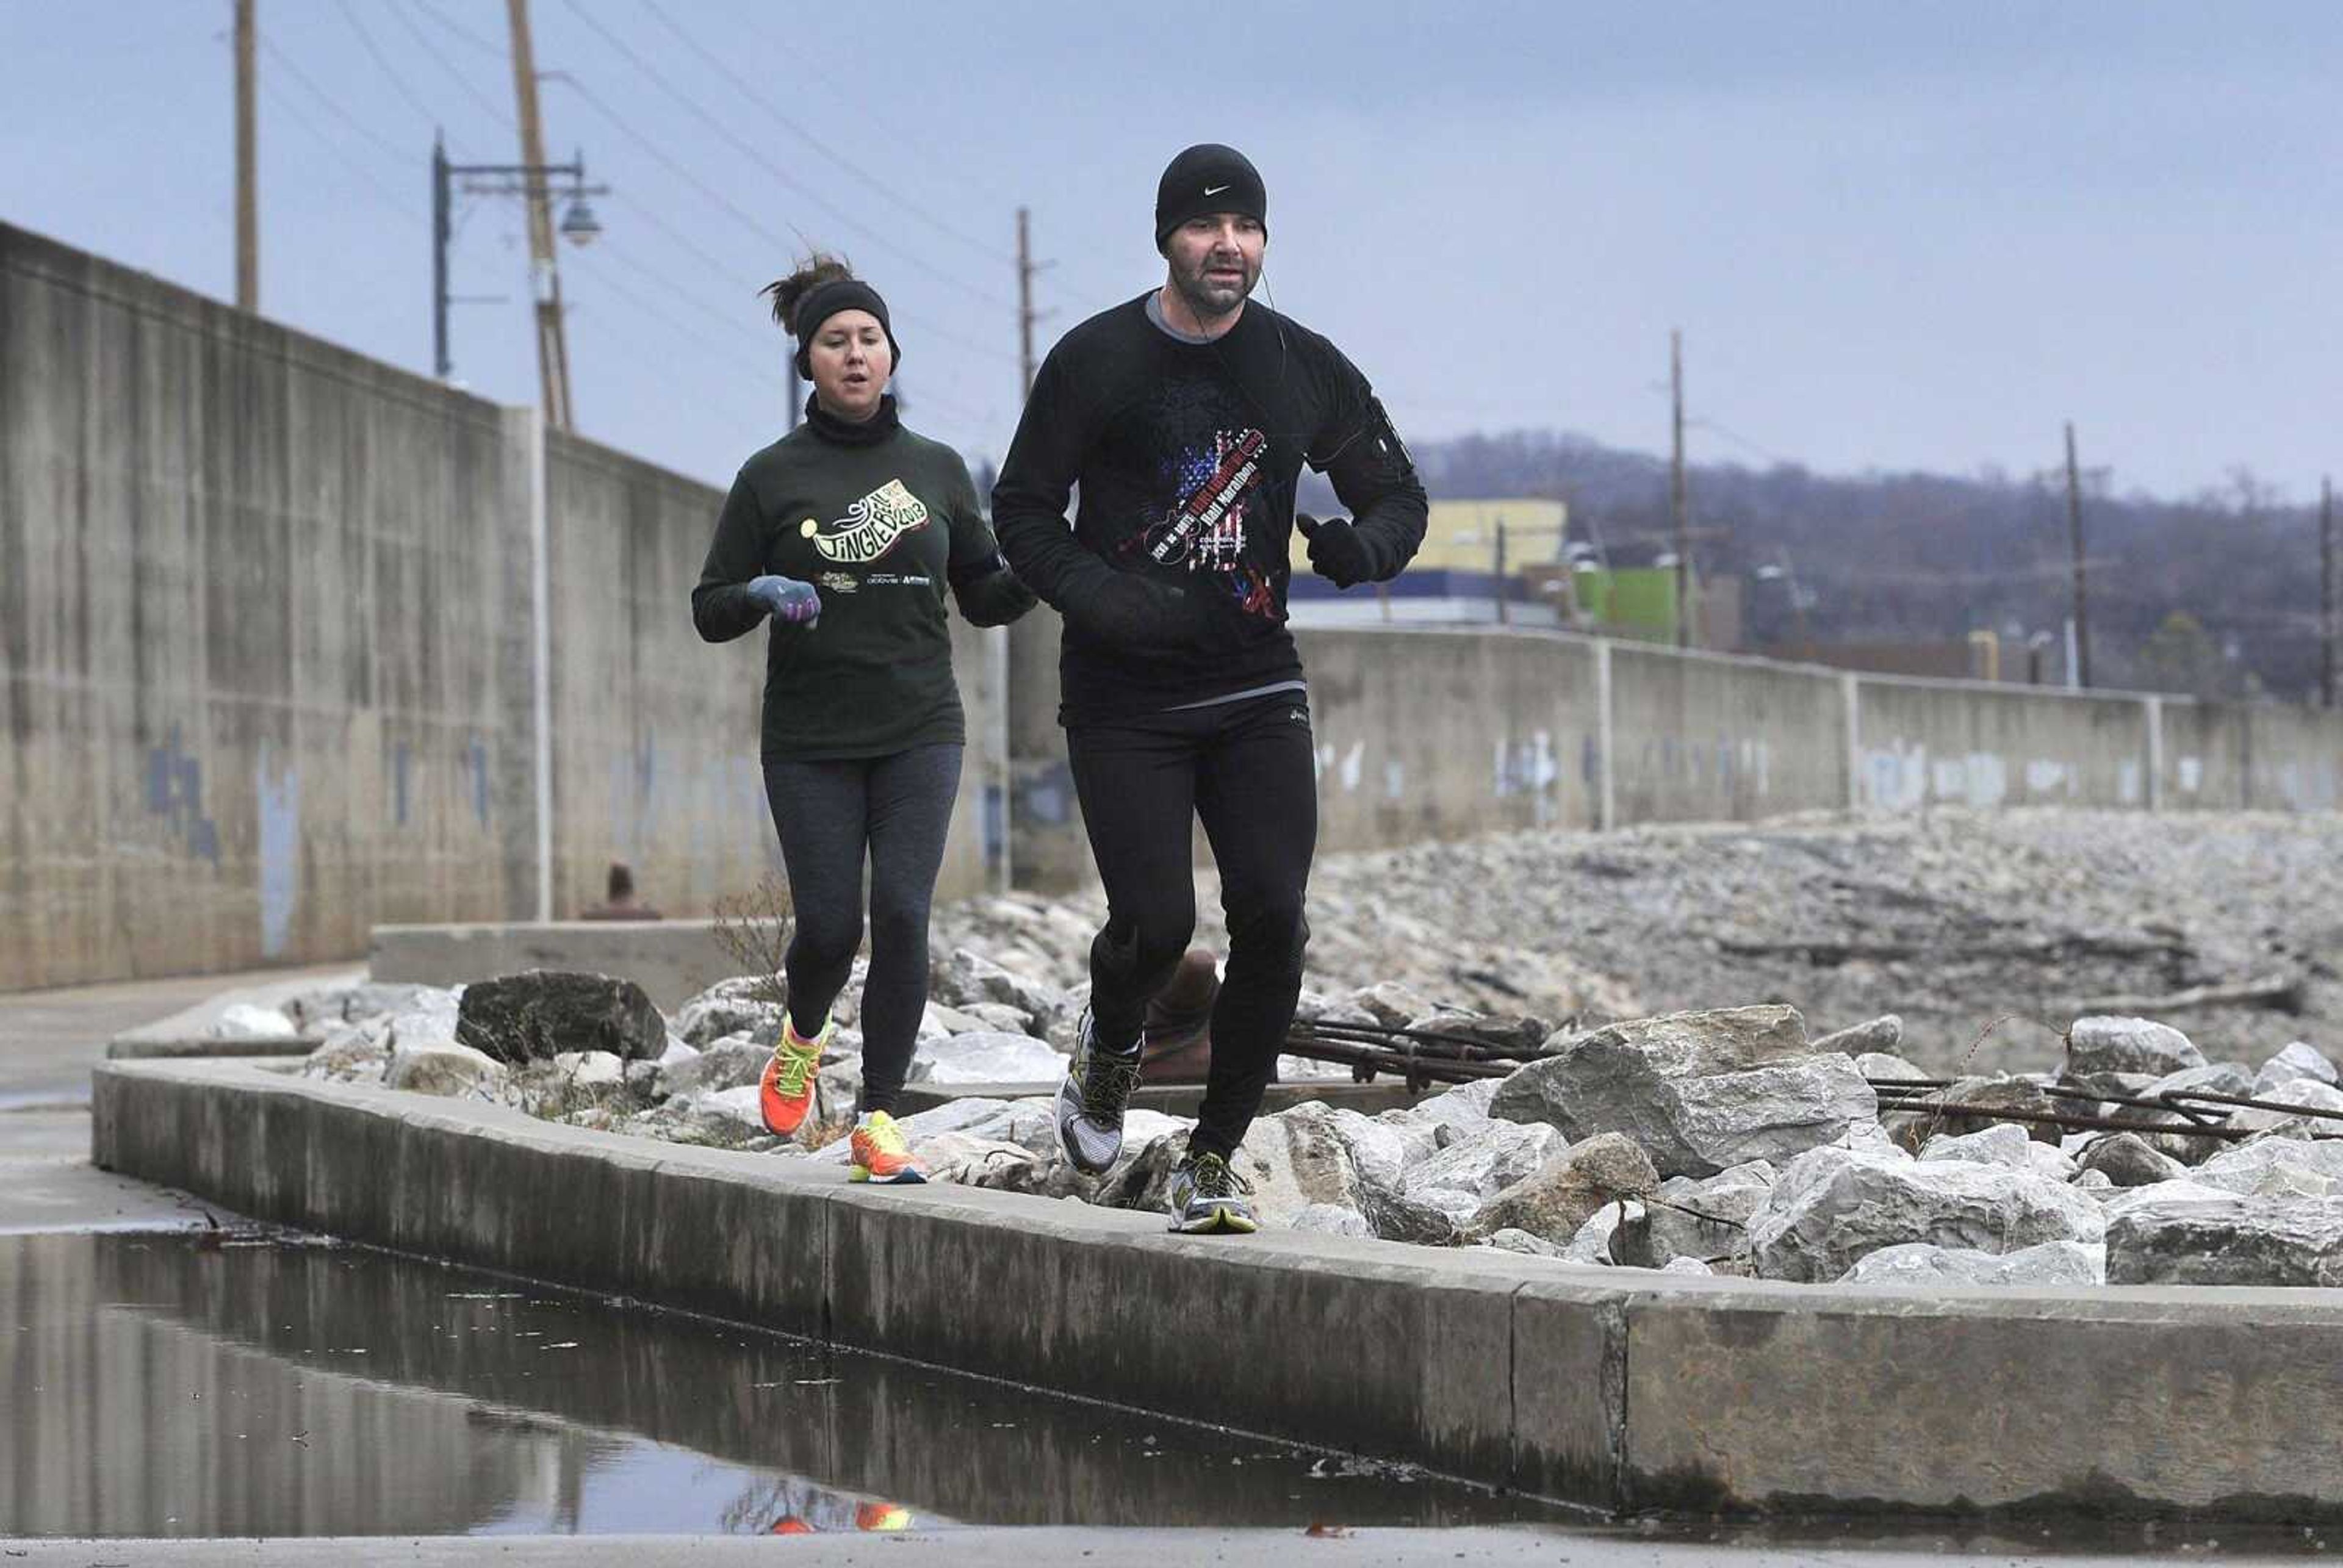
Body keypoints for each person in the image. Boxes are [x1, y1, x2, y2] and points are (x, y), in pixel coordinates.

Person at [992, 145, 1427, 1233]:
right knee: (1154, 920)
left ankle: (1216, 1154)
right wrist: (1099, 597)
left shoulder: (1297, 365)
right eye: (1204, 227)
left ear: (1264, 243)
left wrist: (1362, 549)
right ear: (1167, 238)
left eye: (1246, 229)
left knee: (1274, 913)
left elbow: (1395, 492)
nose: (1226, 246)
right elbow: (1024, 513)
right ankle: (1109, 1047)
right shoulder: (1097, 360)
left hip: (1251, 683)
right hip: (1124, 696)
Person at [694, 255, 1034, 1185]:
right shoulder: (770, 477)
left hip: (921, 724)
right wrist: (759, 590)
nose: (854, 355)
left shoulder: (935, 470)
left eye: (869, 340)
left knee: (903, 912)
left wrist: (1048, 567)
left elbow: (985, 597)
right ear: (808, 361)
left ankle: (879, 1116)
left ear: (892, 355)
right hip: (810, 739)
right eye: (835, 341)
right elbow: (709, 604)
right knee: (831, 929)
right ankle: (803, 1033)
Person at [578, 861, 663, 922]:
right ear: (630, 885)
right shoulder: (648, 914)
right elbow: (658, 915)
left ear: (611, 886)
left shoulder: (594, 915)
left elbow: (584, 915)